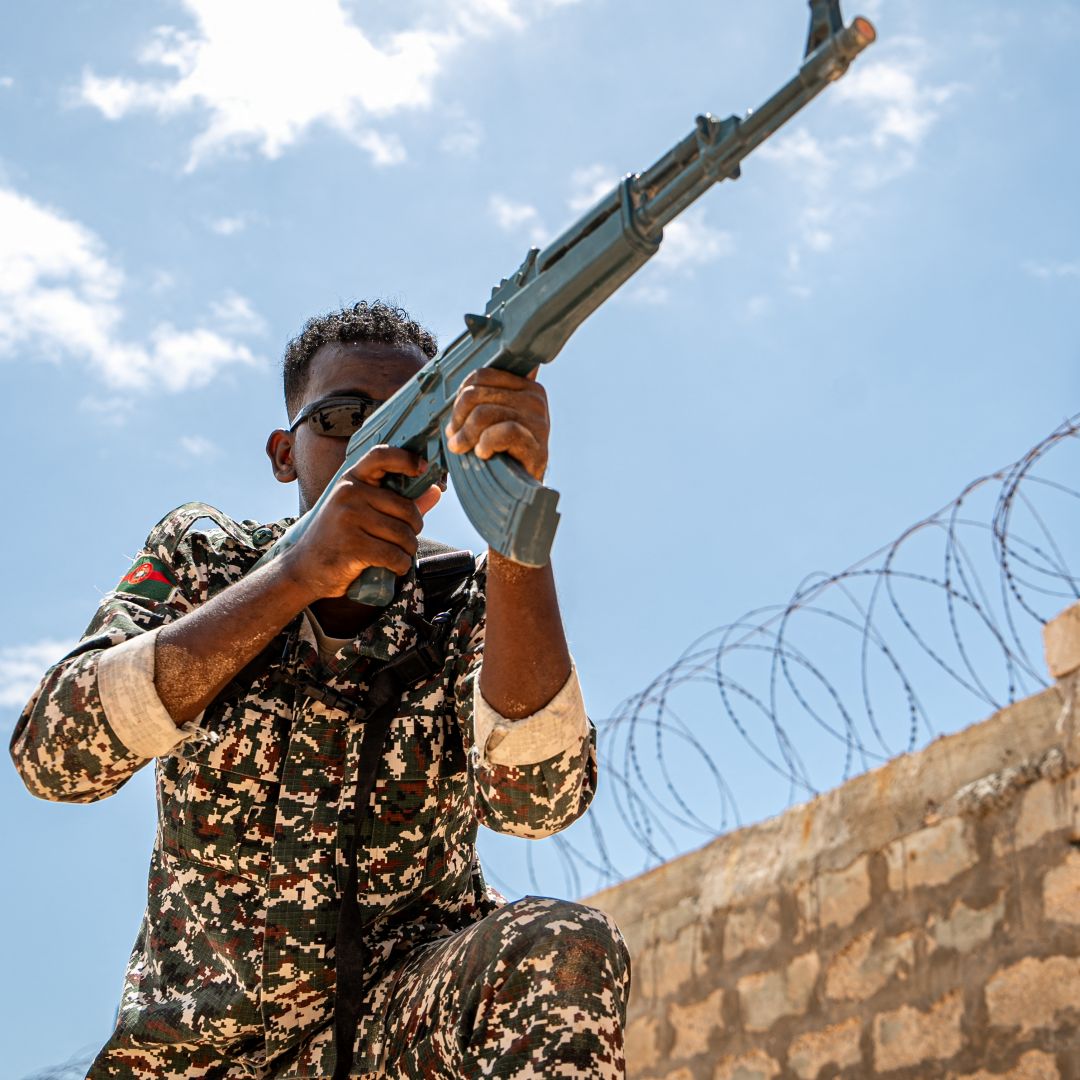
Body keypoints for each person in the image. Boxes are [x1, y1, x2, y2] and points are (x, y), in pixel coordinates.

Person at [11, 301, 630, 1079]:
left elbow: (538, 804)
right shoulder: (206, 561)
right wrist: (296, 576)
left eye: (415, 422)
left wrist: (516, 546)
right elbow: (54, 757)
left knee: (560, 948)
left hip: (391, 1037)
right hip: (194, 1057)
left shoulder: (462, 602)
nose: (380, 445)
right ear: (284, 453)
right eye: (343, 418)